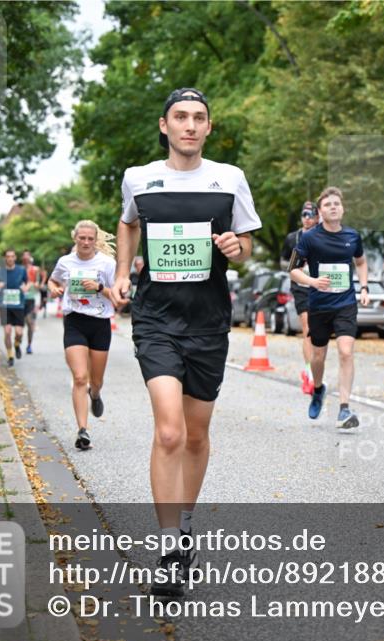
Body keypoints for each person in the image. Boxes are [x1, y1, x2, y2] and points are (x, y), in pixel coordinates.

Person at [110, 87, 261, 598]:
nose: (189, 125)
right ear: (164, 125)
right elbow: (127, 222)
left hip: (209, 321)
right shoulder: (140, 178)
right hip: (155, 318)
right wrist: (121, 270)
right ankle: (170, 546)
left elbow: (246, 244)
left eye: (198, 118)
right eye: (180, 117)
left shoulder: (229, 179)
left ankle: (186, 522)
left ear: (208, 128)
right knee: (170, 432)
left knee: (196, 436)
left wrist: (235, 248)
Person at [288, 186, 370, 429]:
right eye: (327, 204)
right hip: (319, 305)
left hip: (345, 303)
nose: (333, 207)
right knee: (318, 356)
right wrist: (312, 281)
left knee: (346, 351)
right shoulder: (309, 238)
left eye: (337, 203)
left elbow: (361, 261)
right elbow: (292, 269)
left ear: (342, 209)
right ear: (320, 212)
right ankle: (318, 388)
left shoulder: (352, 236)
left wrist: (364, 287)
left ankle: (344, 408)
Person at [47, 221, 117, 451]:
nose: (86, 242)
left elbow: (116, 296)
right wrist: (54, 288)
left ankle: (95, 395)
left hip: (100, 324)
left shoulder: (107, 264)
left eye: (90, 239)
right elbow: (53, 279)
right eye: (82, 238)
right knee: (79, 377)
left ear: (95, 240)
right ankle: (82, 431)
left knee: (95, 382)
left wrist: (98, 287)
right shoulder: (65, 262)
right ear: (75, 238)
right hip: (75, 321)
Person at [279, 201, 319, 394]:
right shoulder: (293, 238)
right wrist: (295, 268)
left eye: (311, 215)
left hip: (320, 285)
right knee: (308, 328)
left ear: (317, 217)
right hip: (301, 286)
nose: (307, 218)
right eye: (304, 215)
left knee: (319, 331)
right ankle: (310, 372)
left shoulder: (323, 235)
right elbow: (283, 261)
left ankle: (315, 369)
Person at [0, 249, 28, 367]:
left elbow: (26, 283)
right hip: (5, 305)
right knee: (7, 331)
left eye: (12, 256)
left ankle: (17, 344)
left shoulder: (21, 270)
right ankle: (10, 356)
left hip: (18, 304)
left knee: (19, 332)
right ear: (5, 258)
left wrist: (25, 287)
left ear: (15, 258)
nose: (10, 258)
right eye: (8, 256)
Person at [21, 251, 42, 353]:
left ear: (30, 257)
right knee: (21, 324)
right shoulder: (19, 270)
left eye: (27, 256)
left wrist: (33, 285)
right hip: (20, 299)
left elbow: (38, 283)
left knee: (29, 322)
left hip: (32, 298)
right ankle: (17, 341)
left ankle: (29, 345)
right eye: (24, 256)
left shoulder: (35, 269)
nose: (25, 258)